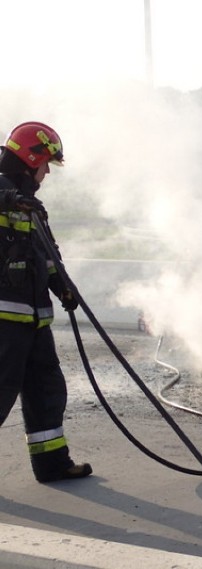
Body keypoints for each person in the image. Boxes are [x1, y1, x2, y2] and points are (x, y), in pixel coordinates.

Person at [0, 121, 93, 482]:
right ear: (31, 158)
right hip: (5, 322)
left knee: (46, 391)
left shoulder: (31, 205)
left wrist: (63, 287)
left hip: (34, 321)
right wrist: (9, 198)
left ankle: (52, 464)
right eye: (46, 164)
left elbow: (46, 256)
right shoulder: (7, 193)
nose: (47, 173)